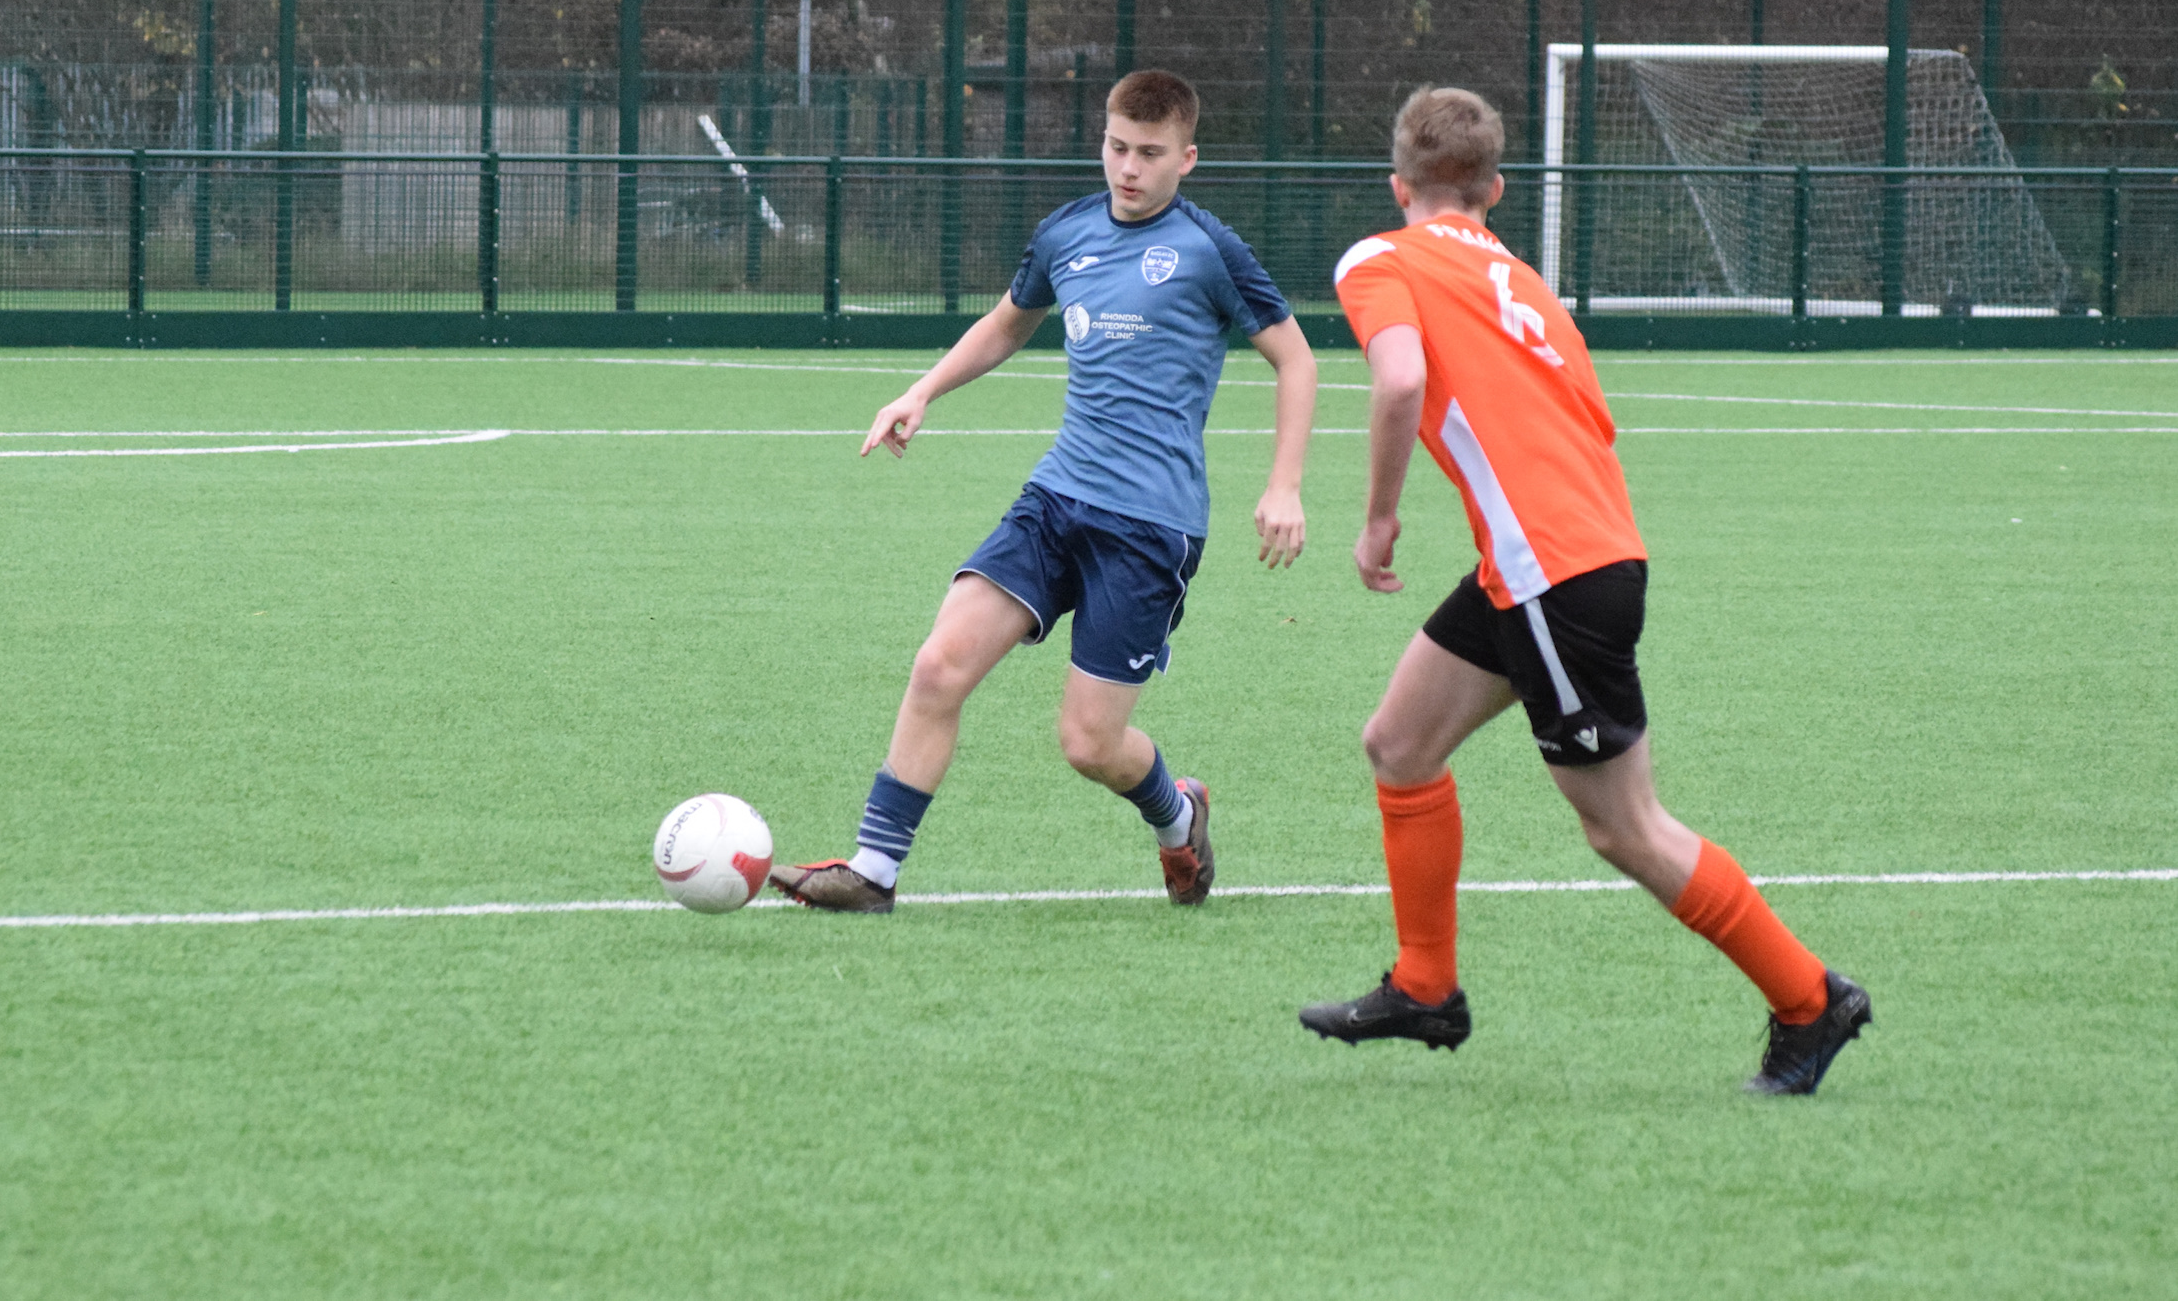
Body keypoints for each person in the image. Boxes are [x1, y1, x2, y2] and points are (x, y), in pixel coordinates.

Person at [1299, 86, 1871, 1095]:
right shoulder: (1518, 279)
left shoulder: (1380, 258)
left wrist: (1379, 516)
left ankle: (1808, 998)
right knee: (1399, 743)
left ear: (1399, 186)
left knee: (1624, 828)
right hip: (1557, 561)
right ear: (1495, 191)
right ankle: (1426, 986)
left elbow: (1396, 382)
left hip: (1553, 577)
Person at [771, 70, 1318, 913]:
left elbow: (1296, 357)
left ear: (1187, 159)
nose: (1128, 168)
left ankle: (1180, 818)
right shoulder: (1066, 232)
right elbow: (1005, 325)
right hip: (1056, 498)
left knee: (1090, 744)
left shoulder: (1211, 251)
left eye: (1149, 154)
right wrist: (921, 391)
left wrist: (1284, 486)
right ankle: (872, 872)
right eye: (1116, 147)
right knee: (938, 667)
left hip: (1149, 526)